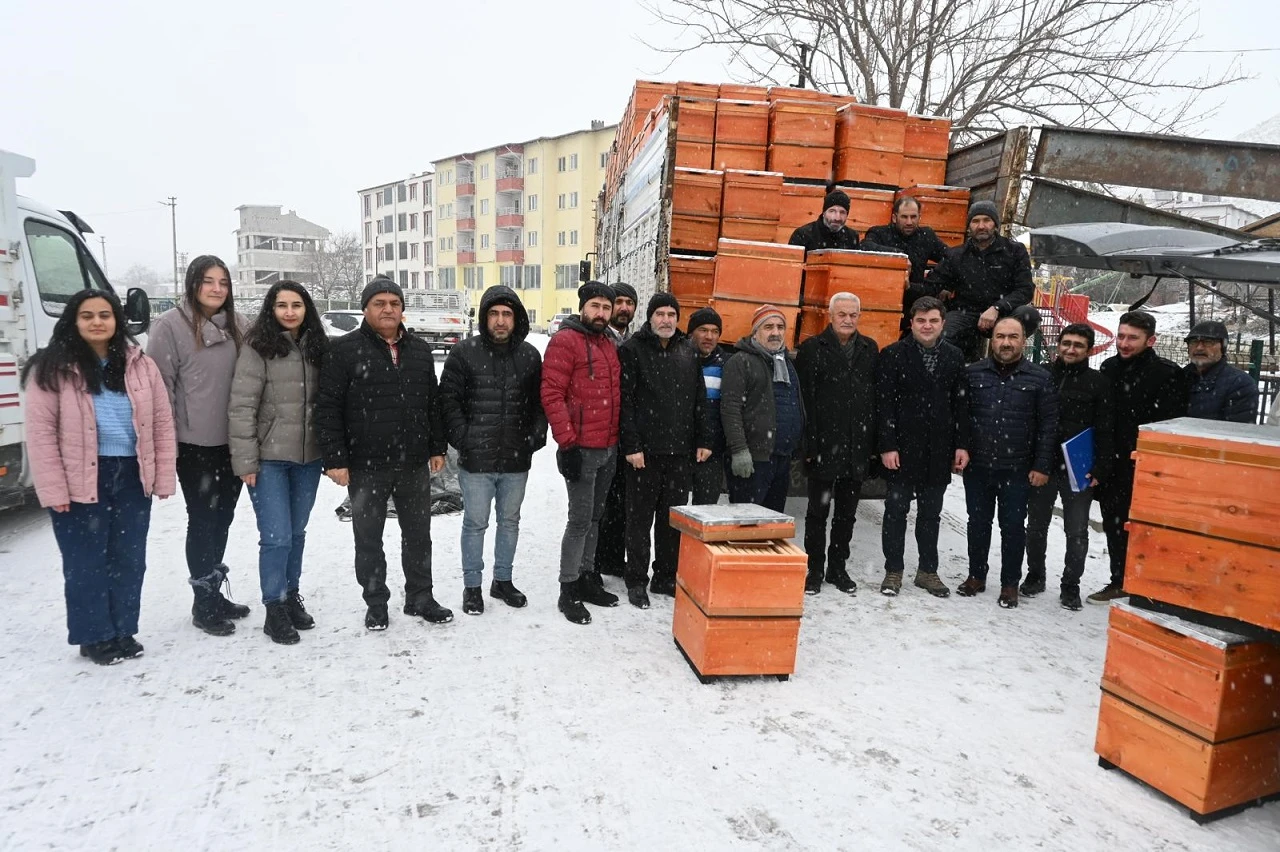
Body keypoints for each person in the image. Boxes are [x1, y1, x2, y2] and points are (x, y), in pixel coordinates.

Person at [23, 289, 177, 664]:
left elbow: (160, 420)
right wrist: (53, 487)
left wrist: (163, 475)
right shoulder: (52, 367)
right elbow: (40, 433)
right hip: (80, 478)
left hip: (130, 475)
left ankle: (123, 629)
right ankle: (95, 635)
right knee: (85, 561)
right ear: (74, 321)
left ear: (117, 320)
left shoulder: (140, 365)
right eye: (88, 315)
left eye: (105, 315)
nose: (97, 322)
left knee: (129, 558)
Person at [315, 275, 450, 631]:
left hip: (412, 463)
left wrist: (436, 446)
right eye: (380, 303)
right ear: (365, 309)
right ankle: (376, 602)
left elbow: (431, 404)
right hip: (365, 465)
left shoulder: (420, 350)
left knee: (419, 535)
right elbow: (328, 408)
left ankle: (421, 596)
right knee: (368, 538)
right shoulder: (343, 351)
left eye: (394, 303)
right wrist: (336, 460)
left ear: (403, 309)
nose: (388, 309)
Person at [147, 255, 251, 636]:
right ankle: (203, 602)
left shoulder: (238, 324)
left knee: (223, 518)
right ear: (193, 284)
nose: (217, 289)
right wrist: (168, 444)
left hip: (234, 443)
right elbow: (161, 391)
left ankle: (213, 590)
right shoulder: (169, 327)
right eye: (208, 281)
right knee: (203, 520)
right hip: (194, 445)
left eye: (223, 282)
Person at [228, 281, 328, 645]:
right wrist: (246, 461)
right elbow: (241, 407)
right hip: (269, 460)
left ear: (307, 309)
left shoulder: (318, 347)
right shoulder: (257, 348)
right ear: (271, 309)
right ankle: (274, 607)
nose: (289, 312)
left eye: (296, 305)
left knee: (296, 534)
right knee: (276, 537)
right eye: (282, 305)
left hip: (308, 459)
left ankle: (290, 595)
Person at [439, 285, 547, 616]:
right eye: (494, 314)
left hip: (516, 458)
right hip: (477, 459)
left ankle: (503, 580)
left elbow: (539, 403)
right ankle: (472, 587)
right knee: (475, 523)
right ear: (485, 318)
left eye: (507, 314)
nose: (500, 321)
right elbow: (448, 400)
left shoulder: (529, 356)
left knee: (510, 521)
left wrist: (536, 435)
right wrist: (463, 436)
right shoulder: (464, 353)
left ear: (517, 319)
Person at [1089, 311, 1191, 603]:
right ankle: (1119, 579)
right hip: (1112, 464)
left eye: (1132, 338)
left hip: (1148, 466)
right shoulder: (1109, 368)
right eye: (1121, 336)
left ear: (1151, 340)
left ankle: (1148, 585)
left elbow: (1171, 425)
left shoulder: (1167, 374)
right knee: (1114, 526)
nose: (1124, 343)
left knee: (1147, 529)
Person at [958, 315, 1058, 609]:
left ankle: (1010, 583)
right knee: (977, 523)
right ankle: (976, 575)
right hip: (978, 467)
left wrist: (1041, 466)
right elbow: (963, 418)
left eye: (1012, 337)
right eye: (1000, 336)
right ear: (992, 340)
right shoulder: (973, 373)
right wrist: (961, 448)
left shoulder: (1040, 378)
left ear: (1023, 341)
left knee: (1013, 526)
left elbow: (1048, 426)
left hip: (1017, 468)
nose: (1006, 343)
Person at [618, 294, 712, 609]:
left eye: (672, 314)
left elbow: (700, 399)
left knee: (671, 520)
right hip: (644, 454)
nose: (666, 320)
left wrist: (703, 439)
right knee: (639, 520)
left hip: (679, 453)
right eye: (660, 313)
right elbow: (625, 403)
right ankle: (636, 580)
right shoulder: (633, 350)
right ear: (650, 316)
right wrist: (632, 445)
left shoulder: (688, 350)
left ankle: (664, 576)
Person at [541, 282, 625, 625]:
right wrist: (568, 443)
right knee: (579, 520)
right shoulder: (565, 341)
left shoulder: (608, 344)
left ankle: (588, 576)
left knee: (595, 516)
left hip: (608, 446)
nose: (601, 313)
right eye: (596, 306)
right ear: (583, 308)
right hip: (581, 449)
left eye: (606, 307)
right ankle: (568, 587)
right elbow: (551, 394)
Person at [875, 297, 969, 598]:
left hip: (938, 450)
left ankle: (928, 571)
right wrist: (887, 445)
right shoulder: (892, 355)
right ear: (911, 323)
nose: (927, 326)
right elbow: (884, 405)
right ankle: (894, 570)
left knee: (931, 514)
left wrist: (961, 444)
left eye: (933, 321)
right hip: (902, 450)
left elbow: (961, 404)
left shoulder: (954, 357)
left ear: (942, 323)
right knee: (896, 511)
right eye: (921, 321)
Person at [1021, 323, 1114, 611]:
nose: (1071, 349)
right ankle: (1035, 576)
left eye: (1078, 345)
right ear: (1058, 345)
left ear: (1088, 350)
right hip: (1043, 465)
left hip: (1078, 468)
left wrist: (1100, 468)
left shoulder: (1099, 383)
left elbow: (1106, 429)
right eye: (1066, 343)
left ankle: (1070, 585)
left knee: (1076, 532)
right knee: (1036, 526)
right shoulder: (1043, 376)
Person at [795, 292, 878, 596]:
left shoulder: (870, 349)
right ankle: (814, 570)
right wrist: (809, 447)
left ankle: (837, 569)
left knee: (847, 514)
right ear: (830, 316)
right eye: (842, 314)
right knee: (817, 514)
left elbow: (873, 400)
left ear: (859, 316)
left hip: (857, 447)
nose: (847, 320)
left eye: (853, 315)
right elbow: (806, 402)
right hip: (823, 448)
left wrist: (871, 444)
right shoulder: (812, 349)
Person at [925, 201, 1033, 360]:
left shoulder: (1015, 251)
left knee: (1028, 314)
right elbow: (931, 286)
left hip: (1003, 314)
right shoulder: (956, 255)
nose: (981, 226)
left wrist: (997, 307)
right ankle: (956, 369)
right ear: (969, 226)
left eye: (986, 220)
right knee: (941, 334)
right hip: (965, 313)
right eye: (975, 221)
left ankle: (1007, 363)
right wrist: (904, 283)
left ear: (995, 224)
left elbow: (1025, 290)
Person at [722, 305, 804, 513]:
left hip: (781, 458)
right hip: (753, 459)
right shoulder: (740, 362)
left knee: (772, 525)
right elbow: (730, 409)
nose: (775, 332)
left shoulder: (785, 362)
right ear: (755, 332)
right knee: (747, 526)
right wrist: (739, 450)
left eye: (780, 327)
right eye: (768, 327)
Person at [594, 281, 639, 577]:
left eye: (629, 303)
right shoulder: (597, 339)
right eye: (618, 302)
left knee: (624, 501)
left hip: (629, 433)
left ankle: (612, 558)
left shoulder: (635, 341)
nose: (624, 308)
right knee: (599, 503)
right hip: (602, 431)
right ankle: (593, 562)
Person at [863, 196, 949, 334]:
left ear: (919, 217)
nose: (909, 222)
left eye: (913, 217)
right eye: (904, 217)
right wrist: (899, 257)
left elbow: (951, 258)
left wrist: (942, 283)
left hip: (916, 301)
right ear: (894, 217)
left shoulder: (926, 236)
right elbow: (865, 247)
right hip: (883, 300)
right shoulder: (879, 233)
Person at [688, 307, 732, 505]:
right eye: (703, 330)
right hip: (680, 450)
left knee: (705, 512)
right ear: (691, 333)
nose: (709, 336)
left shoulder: (728, 366)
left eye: (715, 331)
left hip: (711, 453)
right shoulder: (679, 361)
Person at [1183, 320, 1259, 423]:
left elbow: (1236, 431)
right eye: (1194, 342)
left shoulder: (1240, 384)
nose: (1199, 347)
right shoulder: (1178, 377)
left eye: (1208, 342)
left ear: (1223, 347)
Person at [789, 190, 872, 254]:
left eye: (842, 212)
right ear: (824, 213)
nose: (837, 217)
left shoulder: (852, 237)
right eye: (832, 211)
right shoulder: (803, 235)